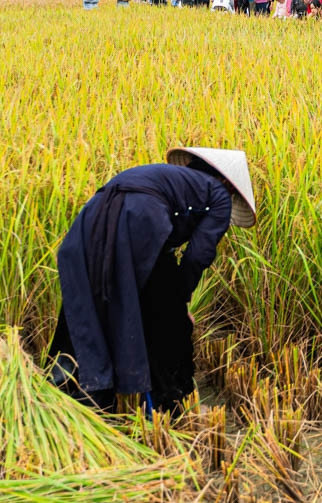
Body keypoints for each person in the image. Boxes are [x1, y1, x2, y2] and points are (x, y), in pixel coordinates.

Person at [49, 147, 257, 415]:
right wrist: (180, 302)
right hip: (139, 219)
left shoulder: (171, 181)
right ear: (228, 183)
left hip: (92, 218)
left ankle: (64, 389)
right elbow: (197, 256)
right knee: (167, 319)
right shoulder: (218, 194)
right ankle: (168, 404)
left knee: (87, 301)